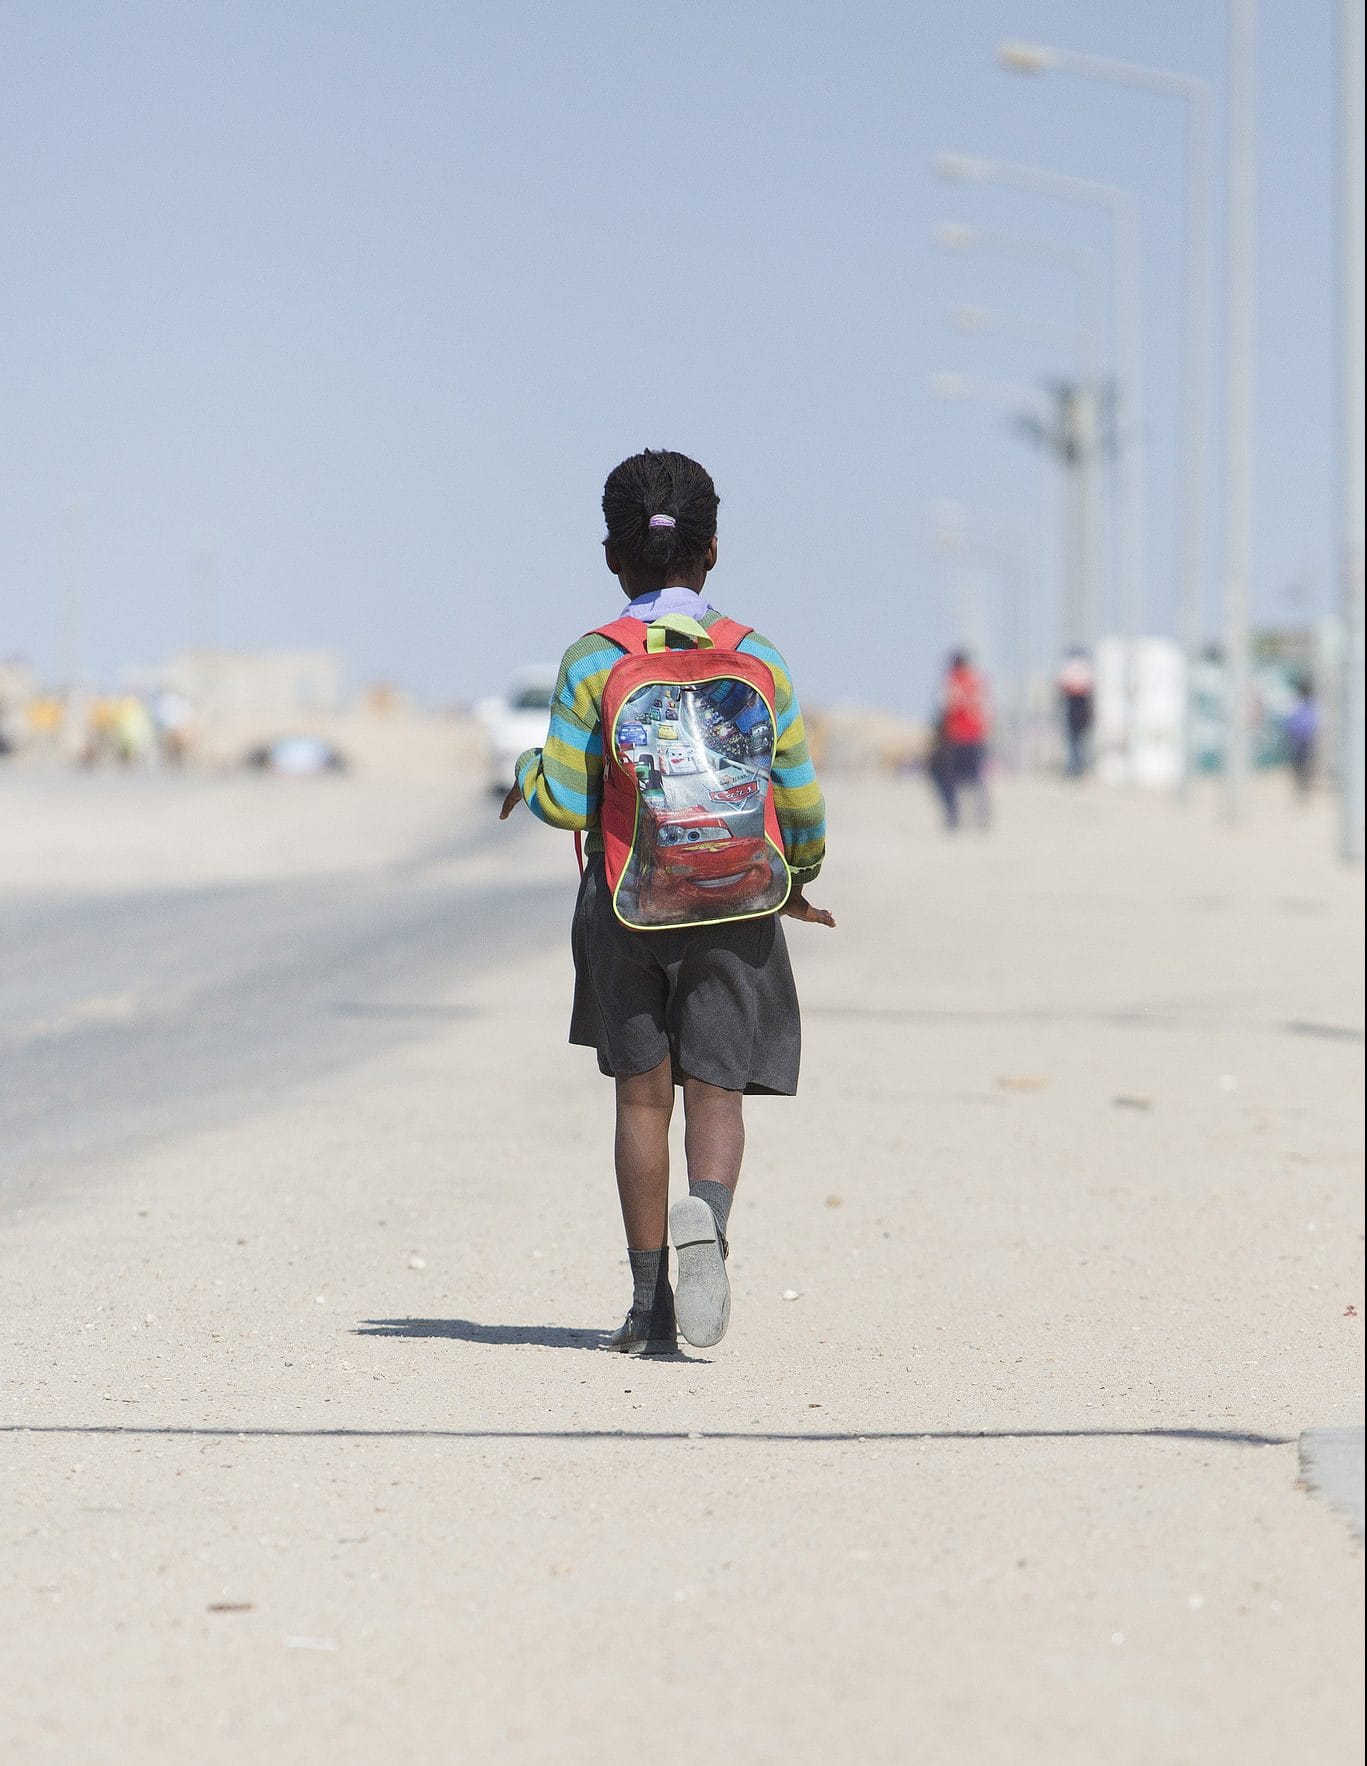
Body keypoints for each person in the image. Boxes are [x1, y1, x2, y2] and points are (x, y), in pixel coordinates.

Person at [500, 449, 833, 1355]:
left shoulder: (590, 660)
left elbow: (565, 799)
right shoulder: (757, 656)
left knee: (642, 1103)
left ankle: (648, 1312)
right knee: (717, 1094)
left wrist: (525, 771)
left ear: (614, 556)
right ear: (711, 549)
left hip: (626, 904)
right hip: (737, 902)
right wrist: (798, 877)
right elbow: (800, 800)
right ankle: (707, 1224)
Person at [933, 649, 991, 829]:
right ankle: (982, 814)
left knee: (946, 778)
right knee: (975, 778)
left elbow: (945, 706)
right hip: (976, 736)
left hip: (956, 737)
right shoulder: (978, 682)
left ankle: (953, 814)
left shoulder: (952, 682)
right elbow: (987, 708)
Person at [1056, 647, 1095, 778]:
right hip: (1077, 707)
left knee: (1076, 741)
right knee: (1075, 741)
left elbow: (1062, 686)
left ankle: (1077, 767)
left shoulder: (1071, 669)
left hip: (1077, 707)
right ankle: (1076, 767)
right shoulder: (1084, 669)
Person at [1283, 678, 1319, 797]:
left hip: (1302, 739)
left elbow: (1291, 722)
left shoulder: (1301, 704)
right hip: (1305, 739)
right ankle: (1302, 787)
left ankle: (1302, 787)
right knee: (1303, 765)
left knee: (1302, 765)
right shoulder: (1308, 704)